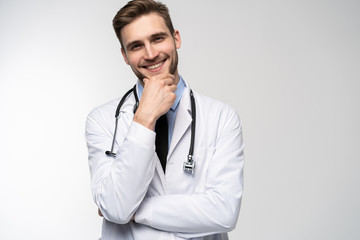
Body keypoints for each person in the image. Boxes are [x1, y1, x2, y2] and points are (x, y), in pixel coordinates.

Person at [85, 0, 244, 239]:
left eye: (158, 38)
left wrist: (135, 211)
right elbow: (117, 209)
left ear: (176, 38)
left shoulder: (221, 117)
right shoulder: (102, 120)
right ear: (125, 56)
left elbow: (224, 212)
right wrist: (144, 118)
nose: (150, 54)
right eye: (136, 45)